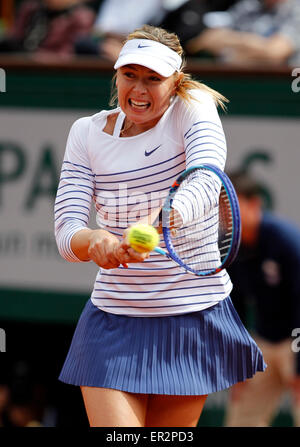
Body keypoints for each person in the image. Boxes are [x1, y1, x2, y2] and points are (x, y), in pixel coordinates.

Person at [54, 24, 265, 427]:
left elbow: (205, 179)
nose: (139, 89)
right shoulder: (85, 132)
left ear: (177, 81)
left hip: (191, 314)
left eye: (154, 79)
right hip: (112, 319)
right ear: (116, 74)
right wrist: (96, 241)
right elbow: (67, 229)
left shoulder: (194, 107)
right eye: (130, 75)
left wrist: (163, 219)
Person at [225, 170, 300, 427]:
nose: (225, 214)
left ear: (254, 203)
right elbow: (235, 308)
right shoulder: (229, 247)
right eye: (220, 205)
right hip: (264, 342)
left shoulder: (287, 241)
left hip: (297, 340)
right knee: (241, 419)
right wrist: (239, 362)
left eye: (231, 204)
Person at [185, 0, 300, 66]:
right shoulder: (248, 6)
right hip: (238, 84)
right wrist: (257, 45)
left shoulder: (296, 9)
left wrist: (229, 47)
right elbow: (205, 40)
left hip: (282, 90)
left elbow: (275, 52)